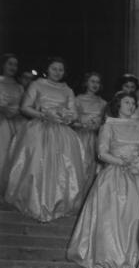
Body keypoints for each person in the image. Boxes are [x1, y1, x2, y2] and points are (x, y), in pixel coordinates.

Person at [67, 92, 139, 268]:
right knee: (115, 220)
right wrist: (123, 162)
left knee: (136, 219)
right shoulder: (109, 125)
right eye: (127, 102)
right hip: (114, 177)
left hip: (138, 178)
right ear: (118, 105)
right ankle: (115, 259)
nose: (131, 106)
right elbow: (102, 153)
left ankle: (132, 261)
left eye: (133, 103)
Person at [5, 56, 87, 222]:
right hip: (39, 129)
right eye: (54, 68)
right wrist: (44, 114)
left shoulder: (67, 90)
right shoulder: (37, 84)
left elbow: (73, 113)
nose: (57, 72)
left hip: (61, 133)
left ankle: (58, 204)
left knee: (62, 168)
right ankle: (34, 202)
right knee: (36, 165)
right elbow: (25, 107)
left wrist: (67, 117)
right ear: (47, 69)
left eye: (60, 69)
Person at [74, 71, 108, 192]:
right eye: (92, 81)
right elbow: (71, 121)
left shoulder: (103, 103)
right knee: (79, 167)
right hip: (80, 137)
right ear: (86, 83)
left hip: (96, 138)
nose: (95, 84)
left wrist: (98, 125)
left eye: (98, 82)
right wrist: (82, 124)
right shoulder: (77, 99)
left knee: (93, 169)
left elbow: (106, 123)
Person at [0, 53, 26, 197]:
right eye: (10, 63)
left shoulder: (19, 87)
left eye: (15, 64)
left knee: (13, 157)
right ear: (3, 64)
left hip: (16, 125)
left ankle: (9, 192)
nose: (13, 67)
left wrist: (16, 111)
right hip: (1, 124)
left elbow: (24, 107)